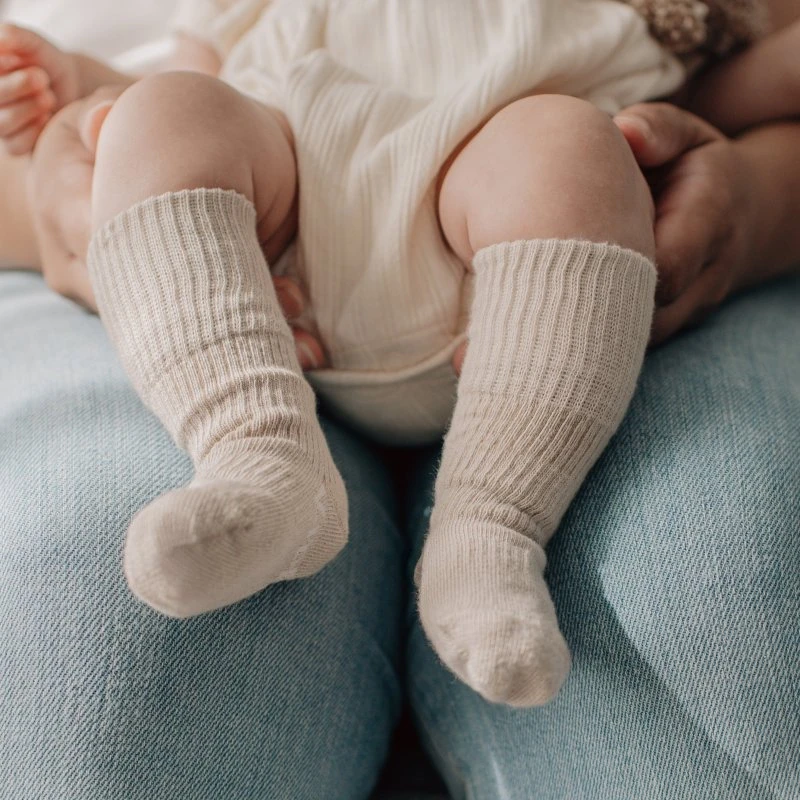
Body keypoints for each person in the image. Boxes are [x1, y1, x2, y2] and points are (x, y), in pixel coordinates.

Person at [1, 0, 798, 797]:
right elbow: (182, 83)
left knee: (571, 145)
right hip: (275, 256)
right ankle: (257, 460)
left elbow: (728, 91)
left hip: (510, 280)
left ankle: (490, 531)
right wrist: (82, 91)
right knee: (168, 110)